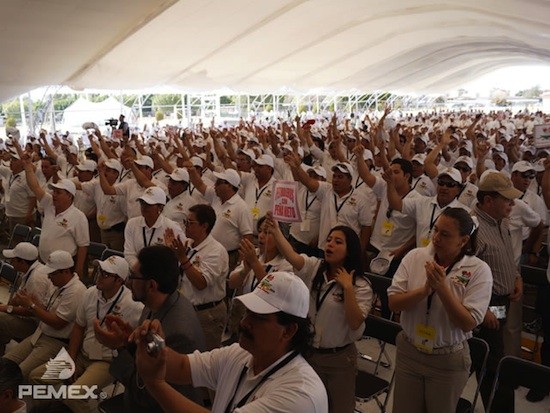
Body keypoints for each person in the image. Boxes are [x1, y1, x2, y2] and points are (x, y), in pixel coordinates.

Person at [132, 271, 328, 413]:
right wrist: (151, 345)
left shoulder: (300, 395)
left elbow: (169, 373)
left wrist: (155, 383)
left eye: (259, 318)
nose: (244, 322)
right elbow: (183, 366)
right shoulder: (240, 354)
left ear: (288, 331)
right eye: (248, 312)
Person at [387, 208, 492, 413]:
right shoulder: (416, 256)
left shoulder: (478, 270)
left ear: (463, 241)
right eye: (435, 230)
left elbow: (468, 323)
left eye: (445, 234)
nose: (436, 238)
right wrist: (423, 291)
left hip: (446, 360)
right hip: (410, 351)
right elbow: (394, 304)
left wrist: (443, 289)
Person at [265, 215, 372, 413]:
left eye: (338, 242)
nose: (330, 244)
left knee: (339, 408)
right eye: (329, 240)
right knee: (308, 407)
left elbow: (355, 322)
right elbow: (293, 257)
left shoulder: (361, 285)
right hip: (310, 352)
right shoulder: (315, 268)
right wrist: (276, 232)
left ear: (350, 251)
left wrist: (348, 289)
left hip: (338, 359)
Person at [94, 245, 205, 412]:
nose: (128, 282)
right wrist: (128, 339)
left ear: (151, 285)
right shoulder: (155, 302)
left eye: (133, 277)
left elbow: (147, 394)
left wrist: (119, 348)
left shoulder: (178, 335)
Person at [29, 255, 143, 413]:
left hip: (106, 362)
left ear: (119, 281)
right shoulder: (90, 293)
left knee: (73, 395)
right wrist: (71, 357)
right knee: (36, 376)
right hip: (82, 354)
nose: (99, 276)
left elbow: (137, 342)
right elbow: (78, 327)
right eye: (99, 271)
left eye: (105, 274)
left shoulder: (134, 305)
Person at [472, 172, 524, 413]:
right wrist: (481, 309)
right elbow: (463, 276)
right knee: (492, 363)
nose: (512, 204)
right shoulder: (475, 228)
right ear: (488, 200)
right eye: (506, 199)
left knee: (483, 356)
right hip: (487, 304)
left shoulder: (500, 222)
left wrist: (516, 276)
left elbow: (505, 254)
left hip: (500, 302)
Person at [3, 251, 87, 379]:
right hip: (39, 333)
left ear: (65, 271)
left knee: (19, 374)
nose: (49, 277)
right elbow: (46, 310)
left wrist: (31, 305)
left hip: (55, 341)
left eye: (52, 274)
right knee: (5, 364)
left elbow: (57, 323)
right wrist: (32, 303)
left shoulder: (76, 291)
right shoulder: (57, 285)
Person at [165, 204, 228, 352]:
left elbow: (201, 283)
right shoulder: (188, 245)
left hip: (206, 314)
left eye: (190, 223)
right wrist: (170, 252)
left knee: (205, 359)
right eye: (185, 222)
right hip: (186, 308)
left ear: (204, 226)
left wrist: (182, 258)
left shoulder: (216, 251)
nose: (185, 226)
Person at [21, 150, 90, 279]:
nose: (53, 195)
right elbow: (35, 187)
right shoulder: (49, 204)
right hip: (44, 263)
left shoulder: (78, 216)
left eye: (58, 193)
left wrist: (79, 269)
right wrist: (27, 167)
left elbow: (83, 246)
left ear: (69, 196)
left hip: (63, 268)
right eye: (54, 192)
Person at [0, 243, 52, 355]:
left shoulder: (36, 279)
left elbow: (35, 311)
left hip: (38, 326)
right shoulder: (31, 272)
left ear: (22, 262)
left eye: (13, 260)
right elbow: (17, 299)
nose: (10, 262)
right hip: (33, 319)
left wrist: (8, 309)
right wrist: (8, 306)